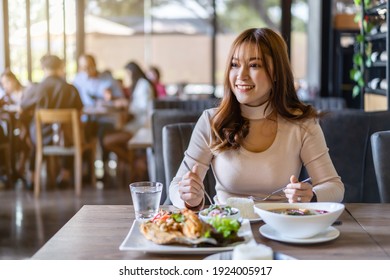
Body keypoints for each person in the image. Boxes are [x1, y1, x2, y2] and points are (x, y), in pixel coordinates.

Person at [168, 28, 345, 210]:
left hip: (282, 226)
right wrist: (190, 198)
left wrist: (312, 196)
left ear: (276, 72)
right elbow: (176, 187)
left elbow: (334, 187)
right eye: (235, 65)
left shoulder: (302, 123)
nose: (241, 75)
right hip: (226, 227)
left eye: (254, 65)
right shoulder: (212, 120)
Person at [20, 54, 83, 187]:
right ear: (61, 67)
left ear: (43, 68)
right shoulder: (70, 88)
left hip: (41, 137)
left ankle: (31, 177)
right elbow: (80, 112)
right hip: (65, 138)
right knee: (69, 131)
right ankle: (65, 175)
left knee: (35, 135)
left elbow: (23, 108)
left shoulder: (37, 88)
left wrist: (26, 131)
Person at [103, 61, 155, 180]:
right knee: (112, 139)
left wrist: (126, 104)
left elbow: (142, 108)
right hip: (137, 124)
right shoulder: (140, 84)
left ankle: (134, 162)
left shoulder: (143, 85)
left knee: (107, 141)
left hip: (141, 126)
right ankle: (135, 162)